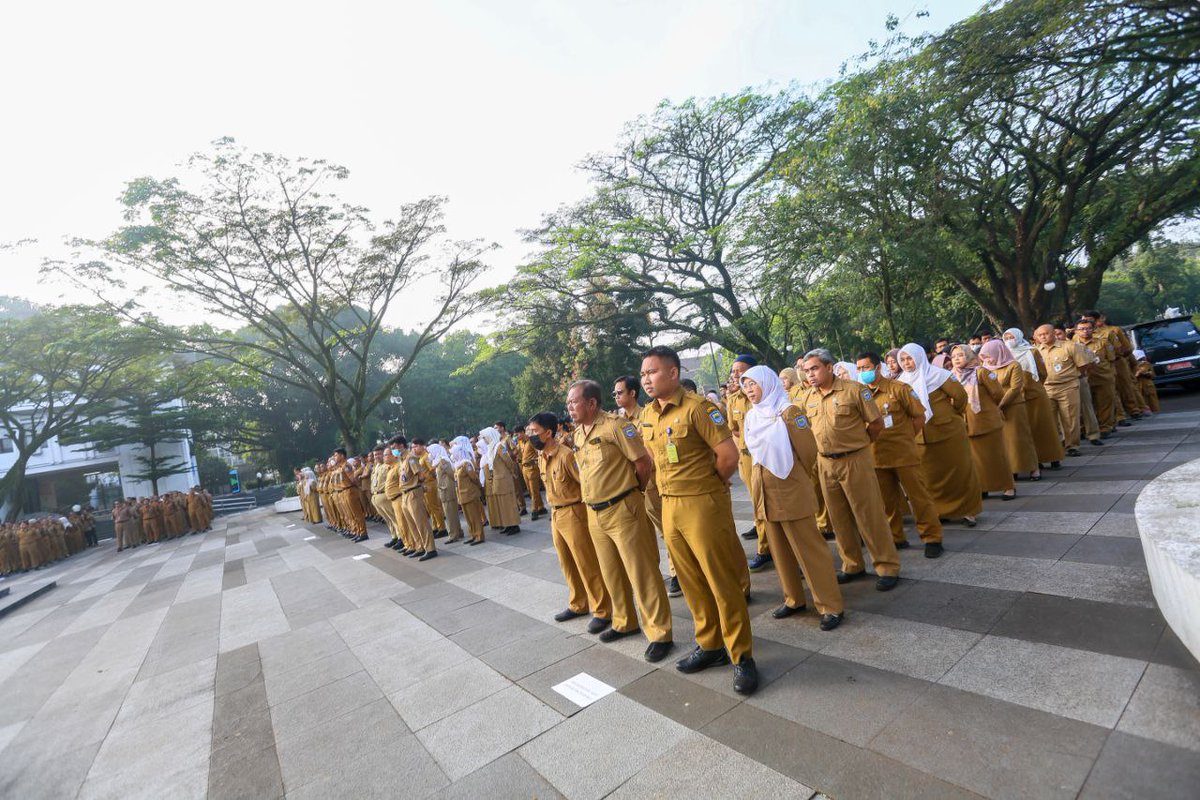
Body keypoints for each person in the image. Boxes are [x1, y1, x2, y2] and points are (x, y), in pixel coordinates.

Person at [640, 347, 758, 694]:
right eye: (644, 373)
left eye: (654, 372)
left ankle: (742, 656)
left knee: (721, 582)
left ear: (674, 373)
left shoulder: (698, 408)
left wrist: (709, 487)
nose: (647, 378)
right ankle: (710, 645)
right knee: (691, 582)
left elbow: (728, 456)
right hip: (670, 505)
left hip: (702, 504)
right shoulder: (649, 414)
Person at [568, 379, 674, 663]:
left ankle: (660, 632)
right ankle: (624, 621)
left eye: (574, 402)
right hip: (595, 512)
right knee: (611, 571)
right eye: (568, 403)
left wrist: (633, 492)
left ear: (591, 403)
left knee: (642, 572)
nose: (570, 408)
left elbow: (642, 463)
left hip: (623, 507)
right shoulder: (578, 434)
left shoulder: (616, 426)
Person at [740, 365, 845, 628]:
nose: (750, 390)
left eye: (754, 384)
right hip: (763, 486)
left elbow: (808, 452)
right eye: (746, 385)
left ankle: (830, 605)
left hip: (788, 484)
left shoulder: (788, 412)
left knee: (808, 548)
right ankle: (793, 598)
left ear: (768, 382)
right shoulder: (752, 416)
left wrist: (792, 476)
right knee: (779, 549)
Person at [799, 348, 902, 590]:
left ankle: (886, 565)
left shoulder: (854, 390)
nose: (810, 375)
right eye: (806, 371)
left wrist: (860, 445)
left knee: (869, 514)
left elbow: (876, 424)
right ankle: (852, 564)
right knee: (838, 517)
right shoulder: (807, 397)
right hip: (825, 462)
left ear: (829, 367)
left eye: (814, 368)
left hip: (854, 459)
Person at [529, 412, 613, 634]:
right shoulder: (541, 456)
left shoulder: (566, 456)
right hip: (556, 514)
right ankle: (578, 603)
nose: (531, 436)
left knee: (586, 563)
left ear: (548, 433)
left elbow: (584, 483)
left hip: (574, 512)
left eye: (535, 432)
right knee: (567, 562)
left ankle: (602, 609)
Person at [855, 352, 944, 557]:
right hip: (876, 455)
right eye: (859, 369)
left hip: (904, 454)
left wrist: (905, 437)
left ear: (878, 368)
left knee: (919, 497)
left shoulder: (899, 388)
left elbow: (919, 417)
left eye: (866, 368)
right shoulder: (860, 394)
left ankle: (932, 538)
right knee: (887, 502)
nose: (862, 372)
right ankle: (896, 537)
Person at [896, 343, 983, 526]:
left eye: (909, 358)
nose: (906, 363)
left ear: (919, 357)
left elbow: (960, 397)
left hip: (948, 432)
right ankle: (939, 511)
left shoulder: (939, 375)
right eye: (902, 359)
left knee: (959, 471)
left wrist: (952, 415)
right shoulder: (901, 382)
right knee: (930, 476)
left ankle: (968, 511)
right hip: (921, 437)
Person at [613, 374, 679, 598]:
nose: (616, 397)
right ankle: (656, 573)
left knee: (665, 529)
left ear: (632, 393)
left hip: (651, 482)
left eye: (620, 392)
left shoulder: (647, 416)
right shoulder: (619, 422)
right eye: (614, 393)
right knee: (645, 535)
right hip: (631, 486)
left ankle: (677, 571)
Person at [949, 344, 1015, 499]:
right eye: (953, 357)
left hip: (986, 421)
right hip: (966, 423)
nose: (956, 359)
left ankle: (1008, 486)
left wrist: (989, 408)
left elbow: (998, 393)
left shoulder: (981, 372)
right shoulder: (952, 376)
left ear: (969, 355)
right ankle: (983, 486)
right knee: (977, 459)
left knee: (997, 455)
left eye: (960, 355)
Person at [725, 355, 770, 571]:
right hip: (745, 456)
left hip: (764, 455)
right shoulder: (733, 400)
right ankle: (766, 544)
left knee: (766, 504)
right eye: (734, 371)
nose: (735, 375)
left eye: (740, 370)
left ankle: (766, 548)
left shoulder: (763, 393)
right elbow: (734, 428)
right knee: (756, 504)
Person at [1002, 328, 1065, 469]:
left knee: (1044, 427)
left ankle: (1053, 457)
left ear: (1019, 336)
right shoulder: (1004, 355)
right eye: (1006, 338)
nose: (1009, 341)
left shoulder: (1032, 351)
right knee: (1027, 430)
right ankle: (1036, 459)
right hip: (1016, 398)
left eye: (1011, 337)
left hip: (1035, 395)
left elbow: (1042, 373)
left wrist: (1033, 385)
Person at [979, 340, 1041, 481]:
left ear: (999, 352)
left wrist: (1001, 404)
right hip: (996, 407)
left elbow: (1015, 388)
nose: (988, 359)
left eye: (989, 356)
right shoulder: (986, 368)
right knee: (1005, 442)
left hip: (1013, 406)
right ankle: (1013, 469)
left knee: (1020, 438)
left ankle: (1033, 468)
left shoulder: (1013, 365)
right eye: (985, 357)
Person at [1074, 318, 1118, 437]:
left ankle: (1105, 427)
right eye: (1082, 329)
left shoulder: (1103, 342)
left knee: (1105, 404)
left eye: (1088, 328)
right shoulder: (1072, 345)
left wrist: (1112, 375)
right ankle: (1086, 429)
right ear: (1076, 331)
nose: (1085, 331)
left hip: (1103, 377)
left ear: (1093, 329)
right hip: (1083, 380)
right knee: (1085, 407)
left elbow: (1112, 360)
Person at [478, 428, 521, 535]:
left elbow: (508, 461)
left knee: (509, 503)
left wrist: (512, 472)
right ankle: (508, 524)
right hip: (498, 479)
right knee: (503, 504)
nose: (484, 440)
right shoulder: (491, 448)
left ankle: (514, 525)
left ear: (490, 436)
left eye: (485, 437)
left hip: (504, 479)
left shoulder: (499, 446)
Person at [399, 441, 437, 560]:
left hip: (413, 492)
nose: (393, 450)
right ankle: (420, 547)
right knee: (412, 523)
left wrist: (417, 485)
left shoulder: (411, 458)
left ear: (401, 446)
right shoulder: (402, 460)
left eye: (394, 447)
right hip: (405, 493)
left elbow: (421, 475)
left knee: (421, 522)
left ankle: (430, 549)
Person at [450, 436, 486, 545]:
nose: (452, 455)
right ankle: (473, 534)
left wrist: (478, 488)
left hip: (470, 493)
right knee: (468, 517)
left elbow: (474, 478)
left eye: (454, 453)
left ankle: (479, 535)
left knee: (474, 516)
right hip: (462, 494)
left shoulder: (466, 464)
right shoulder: (458, 465)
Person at [428, 442, 463, 543]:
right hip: (444, 490)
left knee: (450, 513)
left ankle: (453, 535)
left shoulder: (443, 462)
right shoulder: (438, 462)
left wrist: (447, 486)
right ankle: (458, 532)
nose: (430, 454)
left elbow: (452, 475)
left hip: (447, 490)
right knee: (451, 513)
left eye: (431, 452)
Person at [515, 429, 546, 521]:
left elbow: (539, 452)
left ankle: (534, 510)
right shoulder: (520, 443)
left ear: (523, 432)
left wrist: (535, 460)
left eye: (518, 433)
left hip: (532, 468)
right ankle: (541, 507)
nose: (517, 436)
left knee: (533, 490)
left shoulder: (531, 441)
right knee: (530, 489)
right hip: (524, 468)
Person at [1133, 350, 1159, 414]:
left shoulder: (1147, 364)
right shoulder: (1134, 366)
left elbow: (1152, 374)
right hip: (1140, 386)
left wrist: (1147, 373)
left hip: (1148, 385)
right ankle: (1145, 410)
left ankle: (1153, 410)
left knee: (1151, 400)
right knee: (1142, 399)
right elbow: (1135, 375)